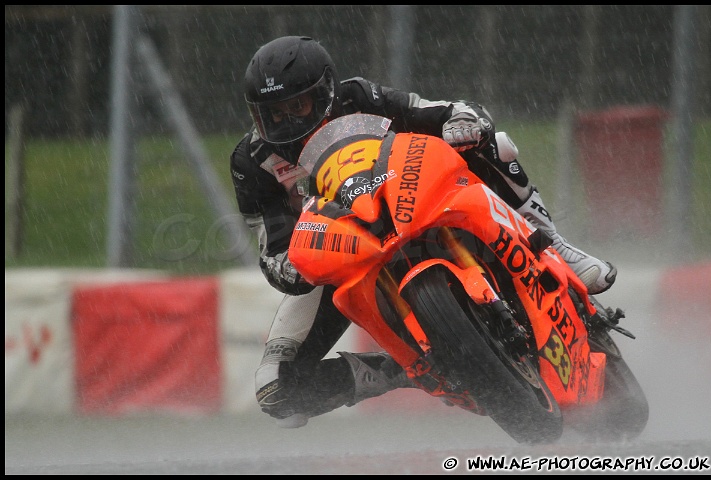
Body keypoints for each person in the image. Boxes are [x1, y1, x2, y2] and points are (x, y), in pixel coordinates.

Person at [230, 35, 617, 427]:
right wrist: (289, 267)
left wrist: (463, 122)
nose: (287, 121)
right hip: (342, 253)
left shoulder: (358, 96)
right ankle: (396, 369)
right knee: (276, 388)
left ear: (326, 91)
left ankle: (557, 245)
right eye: (273, 114)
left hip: (413, 197)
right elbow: (273, 247)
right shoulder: (251, 162)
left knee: (494, 144)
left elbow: (441, 111)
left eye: (297, 106)